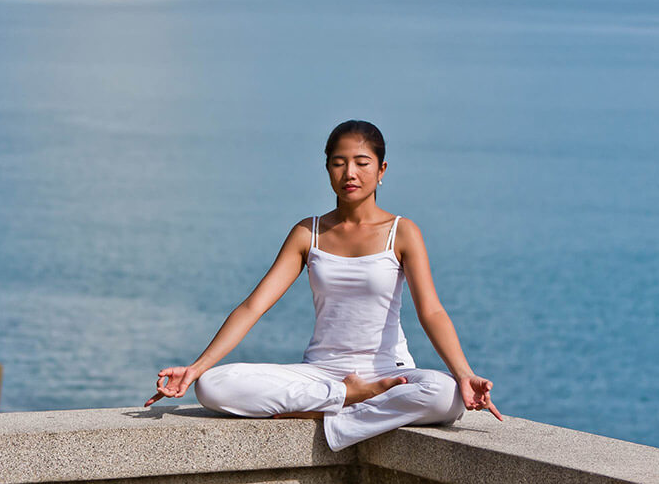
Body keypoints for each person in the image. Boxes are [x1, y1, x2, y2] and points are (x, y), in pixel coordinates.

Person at [144, 119, 502, 451]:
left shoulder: (402, 232)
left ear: (382, 170)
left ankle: (330, 414)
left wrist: (464, 373)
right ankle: (346, 397)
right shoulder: (307, 233)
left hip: (388, 372)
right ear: (327, 168)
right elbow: (254, 307)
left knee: (446, 395)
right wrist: (195, 368)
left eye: (362, 162)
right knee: (213, 385)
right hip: (321, 373)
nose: (350, 173)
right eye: (338, 162)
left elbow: (432, 311)